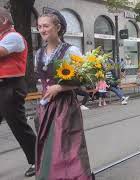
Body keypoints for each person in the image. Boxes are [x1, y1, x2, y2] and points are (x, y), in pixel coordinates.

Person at [35, 8, 91, 179]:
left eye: (46, 26)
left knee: (66, 145)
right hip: (46, 107)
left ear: (57, 27)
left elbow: (85, 78)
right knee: (48, 146)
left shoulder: (70, 50)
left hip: (65, 106)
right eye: (39, 27)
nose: (42, 30)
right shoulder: (39, 53)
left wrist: (59, 88)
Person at [0, 7, 37, 177]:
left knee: (18, 126)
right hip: (3, 87)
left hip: (11, 87)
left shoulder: (13, 36)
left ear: (3, 20)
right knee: (18, 125)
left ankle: (37, 159)